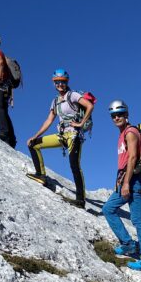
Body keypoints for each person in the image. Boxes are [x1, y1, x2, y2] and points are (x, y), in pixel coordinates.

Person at [27, 69, 93, 208]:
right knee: (33, 145)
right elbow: (49, 120)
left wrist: (81, 123)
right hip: (62, 135)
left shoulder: (73, 95)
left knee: (74, 165)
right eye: (57, 82)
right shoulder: (55, 101)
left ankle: (80, 200)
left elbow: (89, 105)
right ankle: (41, 175)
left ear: (66, 82)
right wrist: (35, 136)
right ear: (54, 83)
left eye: (62, 82)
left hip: (74, 135)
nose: (60, 85)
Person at [101, 100, 141, 271]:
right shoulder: (123, 133)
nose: (117, 118)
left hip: (133, 180)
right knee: (108, 208)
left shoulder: (130, 132)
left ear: (126, 115)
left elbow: (132, 158)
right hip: (125, 179)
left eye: (120, 114)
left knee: (138, 220)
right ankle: (128, 244)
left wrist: (127, 183)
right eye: (113, 116)